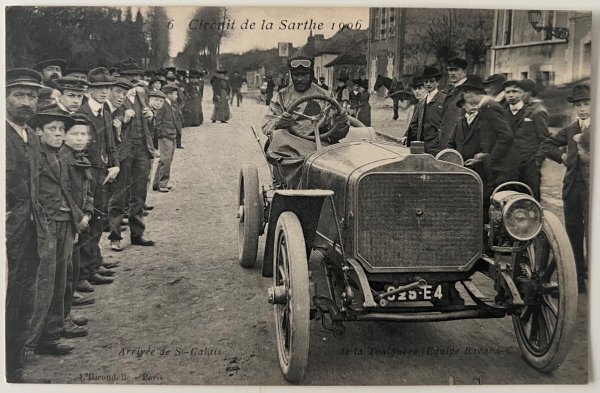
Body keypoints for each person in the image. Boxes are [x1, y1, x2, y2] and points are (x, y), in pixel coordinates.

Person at [24, 105, 87, 360]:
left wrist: (77, 216)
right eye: (52, 129)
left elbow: (65, 190)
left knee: (60, 280)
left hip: (64, 222)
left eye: (62, 129)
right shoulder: (33, 156)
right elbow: (32, 195)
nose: (59, 134)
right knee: (45, 282)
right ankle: (29, 343)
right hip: (46, 225)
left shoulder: (59, 154)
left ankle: (52, 333)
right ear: (38, 131)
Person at [5, 68, 49, 382]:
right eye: (19, 95)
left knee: (24, 296)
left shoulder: (32, 136)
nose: (26, 103)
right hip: (8, 233)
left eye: (32, 96)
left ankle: (14, 362)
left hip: (30, 230)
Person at [262, 56, 349, 188]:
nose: (300, 79)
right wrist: (280, 122)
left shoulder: (325, 95)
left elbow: (337, 132)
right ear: (291, 75)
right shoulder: (281, 96)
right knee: (278, 136)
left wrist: (340, 122)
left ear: (311, 73)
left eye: (304, 74)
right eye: (296, 75)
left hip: (319, 144)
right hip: (290, 147)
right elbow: (266, 125)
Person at [541, 85, 591, 293]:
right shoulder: (571, 129)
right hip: (571, 189)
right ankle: (578, 282)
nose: (582, 109)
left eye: (587, 104)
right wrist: (562, 157)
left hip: (592, 190)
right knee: (573, 235)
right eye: (578, 105)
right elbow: (546, 144)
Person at [76, 67, 120, 291]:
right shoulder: (81, 113)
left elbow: (110, 141)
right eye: (99, 88)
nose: (104, 92)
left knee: (99, 218)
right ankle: (83, 273)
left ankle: (93, 264)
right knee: (89, 220)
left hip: (104, 172)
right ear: (89, 89)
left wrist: (115, 164)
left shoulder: (105, 111)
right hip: (88, 173)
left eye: (107, 87)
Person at [456, 76, 519, 209]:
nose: (465, 97)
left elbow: (506, 136)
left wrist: (489, 157)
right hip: (496, 167)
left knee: (495, 207)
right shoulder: (486, 106)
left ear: (470, 94)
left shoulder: (490, 107)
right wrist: (484, 156)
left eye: (465, 94)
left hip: (501, 169)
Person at [59, 113, 95, 331]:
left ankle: (65, 314)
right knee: (64, 271)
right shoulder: (63, 159)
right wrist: (79, 217)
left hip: (79, 218)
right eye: (75, 134)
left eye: (84, 134)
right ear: (65, 136)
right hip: (69, 219)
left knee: (70, 269)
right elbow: (65, 192)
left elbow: (86, 191)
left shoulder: (79, 157)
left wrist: (88, 212)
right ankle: (60, 320)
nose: (81, 138)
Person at [502, 80, 549, 201]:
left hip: (528, 168)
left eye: (515, 91)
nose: (511, 95)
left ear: (523, 93)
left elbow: (544, 140)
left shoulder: (534, 112)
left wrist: (537, 162)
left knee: (530, 203)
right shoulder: (502, 114)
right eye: (508, 92)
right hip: (507, 169)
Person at [405, 66, 446, 155]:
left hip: (437, 146)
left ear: (437, 82)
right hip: (422, 145)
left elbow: (447, 124)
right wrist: (418, 137)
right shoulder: (421, 103)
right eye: (426, 81)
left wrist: (438, 139)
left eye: (431, 81)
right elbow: (414, 124)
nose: (428, 84)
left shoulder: (444, 100)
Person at [153, 85, 182, 192]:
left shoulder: (171, 104)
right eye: (175, 94)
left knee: (165, 160)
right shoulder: (163, 105)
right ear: (168, 94)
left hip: (171, 135)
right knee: (166, 160)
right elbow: (158, 121)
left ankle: (157, 183)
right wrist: (162, 134)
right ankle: (162, 184)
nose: (177, 96)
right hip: (166, 136)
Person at [440, 57, 469, 148]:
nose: (452, 73)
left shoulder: (467, 91)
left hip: (458, 141)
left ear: (464, 71)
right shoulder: (450, 90)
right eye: (450, 70)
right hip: (446, 140)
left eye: (456, 70)